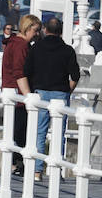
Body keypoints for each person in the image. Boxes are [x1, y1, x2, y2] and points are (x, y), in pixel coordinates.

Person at [18, 16, 80, 180]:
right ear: (60, 32)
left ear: (45, 30)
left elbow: (26, 71)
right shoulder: (68, 50)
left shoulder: (36, 48)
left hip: (41, 93)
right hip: (60, 94)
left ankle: (37, 171)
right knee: (59, 134)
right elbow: (75, 75)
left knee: (40, 133)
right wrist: (67, 91)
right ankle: (55, 170)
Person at [1, 14, 39, 176]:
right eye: (35, 30)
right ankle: (18, 164)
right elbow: (19, 72)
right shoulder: (21, 45)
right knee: (21, 132)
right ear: (27, 28)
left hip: (10, 92)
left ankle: (14, 164)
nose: (37, 34)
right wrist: (28, 96)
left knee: (15, 131)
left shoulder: (13, 42)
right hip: (18, 96)